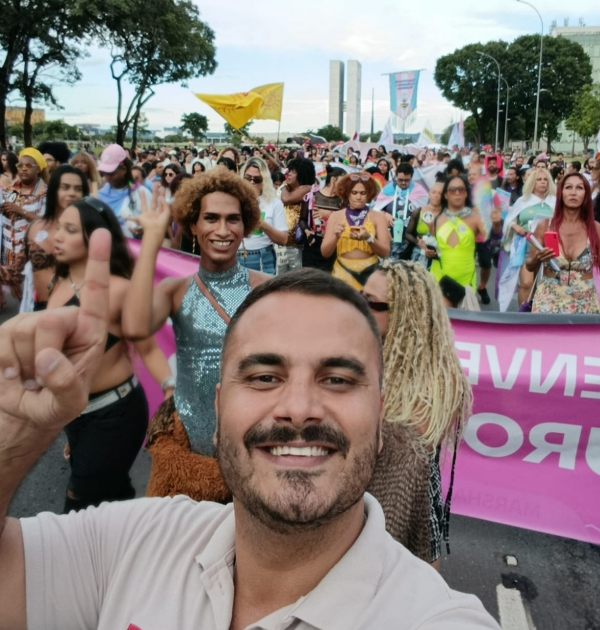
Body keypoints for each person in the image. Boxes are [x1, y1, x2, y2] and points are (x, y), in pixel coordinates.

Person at [0, 260, 500, 629]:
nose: (299, 407)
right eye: (264, 376)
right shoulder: (135, 541)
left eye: (339, 380)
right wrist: (10, 440)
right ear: (217, 411)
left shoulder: (431, 616)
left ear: (380, 417)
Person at [121, 168, 270, 500]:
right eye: (211, 218)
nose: (222, 230)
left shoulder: (267, 290)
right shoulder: (175, 290)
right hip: (188, 451)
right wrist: (151, 241)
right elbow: (134, 327)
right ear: (192, 224)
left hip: (252, 448)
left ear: (245, 226)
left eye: (233, 219)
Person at [48, 198, 171, 511]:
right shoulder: (58, 281)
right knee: (110, 495)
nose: (57, 235)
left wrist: (173, 392)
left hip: (115, 414)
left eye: (70, 229)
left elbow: (147, 347)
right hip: (77, 416)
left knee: (79, 506)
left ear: (96, 238)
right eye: (59, 226)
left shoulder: (118, 289)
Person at [364, 260, 472, 567]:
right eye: (360, 296)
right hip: (354, 496)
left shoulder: (440, 377)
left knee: (412, 592)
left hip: (409, 502)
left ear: (404, 312)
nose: (361, 307)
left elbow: (408, 450)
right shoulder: (357, 349)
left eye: (371, 303)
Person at [526, 173, 600, 314]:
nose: (573, 192)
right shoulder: (545, 225)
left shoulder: (595, 229)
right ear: (561, 193)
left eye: (579, 188)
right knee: (545, 336)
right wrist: (538, 258)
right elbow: (529, 265)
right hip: (548, 300)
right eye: (568, 187)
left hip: (585, 303)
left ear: (586, 194)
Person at [19, 165, 89, 312]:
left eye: (78, 189)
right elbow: (18, 269)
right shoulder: (34, 229)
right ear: (54, 191)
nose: (72, 193)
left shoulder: (90, 231)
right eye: (65, 187)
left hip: (76, 310)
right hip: (39, 308)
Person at [430, 176, 500, 295]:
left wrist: (497, 225)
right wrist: (429, 252)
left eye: (461, 189)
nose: (457, 193)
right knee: (442, 313)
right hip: (439, 277)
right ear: (446, 195)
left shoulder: (476, 218)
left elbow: (494, 242)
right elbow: (433, 248)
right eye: (452, 190)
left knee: (463, 313)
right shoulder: (437, 220)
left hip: (465, 280)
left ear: (466, 193)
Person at [499, 168, 556, 309]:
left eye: (545, 180)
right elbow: (509, 220)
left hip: (549, 249)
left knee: (543, 284)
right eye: (539, 179)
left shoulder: (555, 202)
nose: (543, 182)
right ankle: (523, 316)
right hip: (526, 247)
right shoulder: (523, 201)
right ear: (532, 182)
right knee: (526, 284)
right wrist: (515, 226)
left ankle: (536, 313)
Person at [322, 173, 390, 289]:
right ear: (347, 193)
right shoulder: (335, 216)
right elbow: (325, 253)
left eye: (363, 193)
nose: (358, 197)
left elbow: (385, 253)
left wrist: (369, 238)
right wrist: (336, 236)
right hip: (342, 273)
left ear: (368, 194)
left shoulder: (378, 217)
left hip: (369, 275)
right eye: (354, 193)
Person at [0, 149, 48, 302]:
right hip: (9, 253)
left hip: (32, 253)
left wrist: (21, 211)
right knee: (20, 296)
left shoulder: (45, 193)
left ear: (39, 169)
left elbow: (46, 223)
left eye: (29, 166)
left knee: (35, 297)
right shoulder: (10, 190)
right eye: (20, 166)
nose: (24, 169)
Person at [238, 158, 287, 274]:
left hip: (263, 257)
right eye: (248, 178)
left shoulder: (274, 203)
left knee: (262, 292)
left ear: (264, 181)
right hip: (235, 257)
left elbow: (283, 239)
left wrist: (262, 224)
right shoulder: (234, 200)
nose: (251, 182)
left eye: (257, 179)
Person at [96, 143, 152, 238]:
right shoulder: (99, 195)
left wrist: (144, 230)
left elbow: (153, 227)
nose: (107, 178)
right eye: (104, 173)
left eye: (112, 173)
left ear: (124, 169)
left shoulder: (141, 194)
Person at [300, 165, 346, 271]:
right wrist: (307, 231)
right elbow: (302, 219)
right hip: (313, 244)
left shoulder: (342, 200)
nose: (345, 185)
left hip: (333, 244)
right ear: (333, 179)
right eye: (343, 181)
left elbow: (347, 218)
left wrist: (329, 214)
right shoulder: (313, 196)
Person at [278, 158, 316, 274]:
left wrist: (284, 186)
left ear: (302, 173)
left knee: (294, 279)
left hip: (295, 246)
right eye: (289, 170)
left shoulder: (307, 188)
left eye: (293, 172)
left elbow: (287, 199)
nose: (289, 174)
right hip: (280, 244)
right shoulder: (289, 189)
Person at [375, 162, 419, 260]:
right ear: (396, 176)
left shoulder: (418, 190)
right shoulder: (388, 189)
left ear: (412, 177)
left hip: (410, 238)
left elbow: (425, 210)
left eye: (407, 180)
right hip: (390, 235)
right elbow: (375, 210)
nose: (403, 183)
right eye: (400, 180)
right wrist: (384, 214)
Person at [404, 180, 444, 267]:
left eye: (440, 193)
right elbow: (407, 233)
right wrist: (417, 241)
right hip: (418, 256)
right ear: (429, 194)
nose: (436, 195)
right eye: (434, 192)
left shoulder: (446, 215)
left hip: (438, 257)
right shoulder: (418, 211)